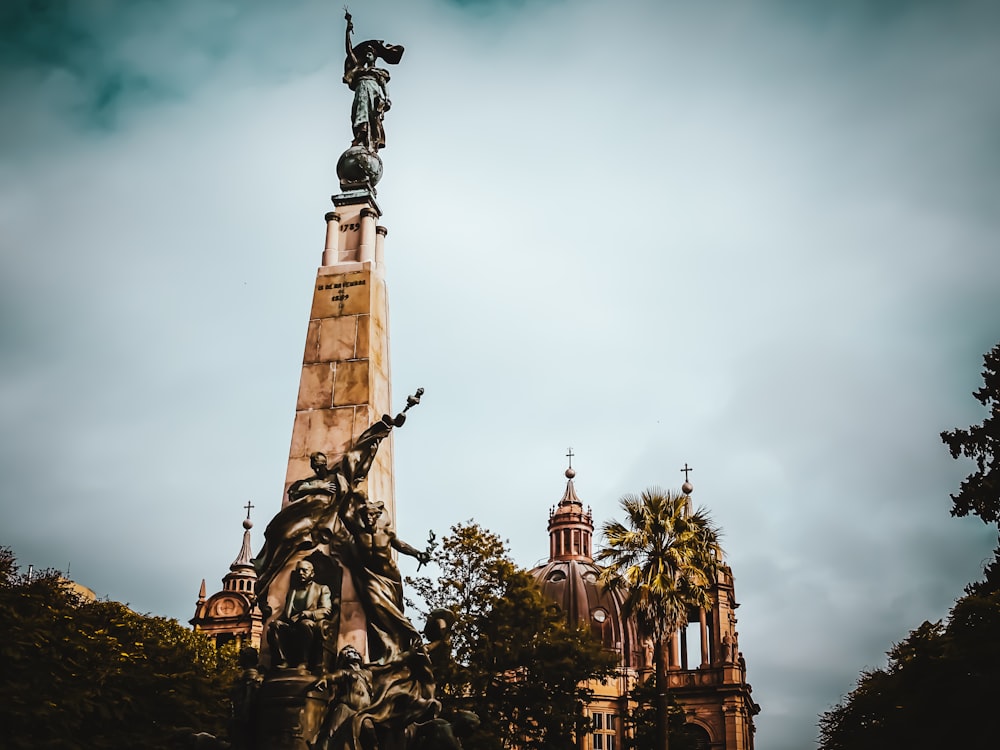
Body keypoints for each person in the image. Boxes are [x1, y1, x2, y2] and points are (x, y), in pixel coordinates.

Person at [342, 11, 404, 153]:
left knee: (372, 117)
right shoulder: (358, 68)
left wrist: (387, 98)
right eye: (365, 54)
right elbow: (349, 50)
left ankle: (365, 137)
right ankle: (360, 135)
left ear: (374, 56)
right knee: (358, 112)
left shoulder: (378, 72)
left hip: (373, 91)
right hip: (361, 90)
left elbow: (383, 85)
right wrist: (347, 30)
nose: (367, 56)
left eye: (369, 54)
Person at [267, 560, 334, 671]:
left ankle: (304, 661)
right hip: (291, 625)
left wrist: (308, 614)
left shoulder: (322, 589)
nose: (301, 573)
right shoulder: (292, 591)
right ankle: (283, 661)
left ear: (312, 573)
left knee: (305, 624)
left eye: (304, 570)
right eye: (298, 570)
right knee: (274, 626)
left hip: (308, 624)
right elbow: (286, 613)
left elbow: (326, 610)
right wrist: (275, 622)